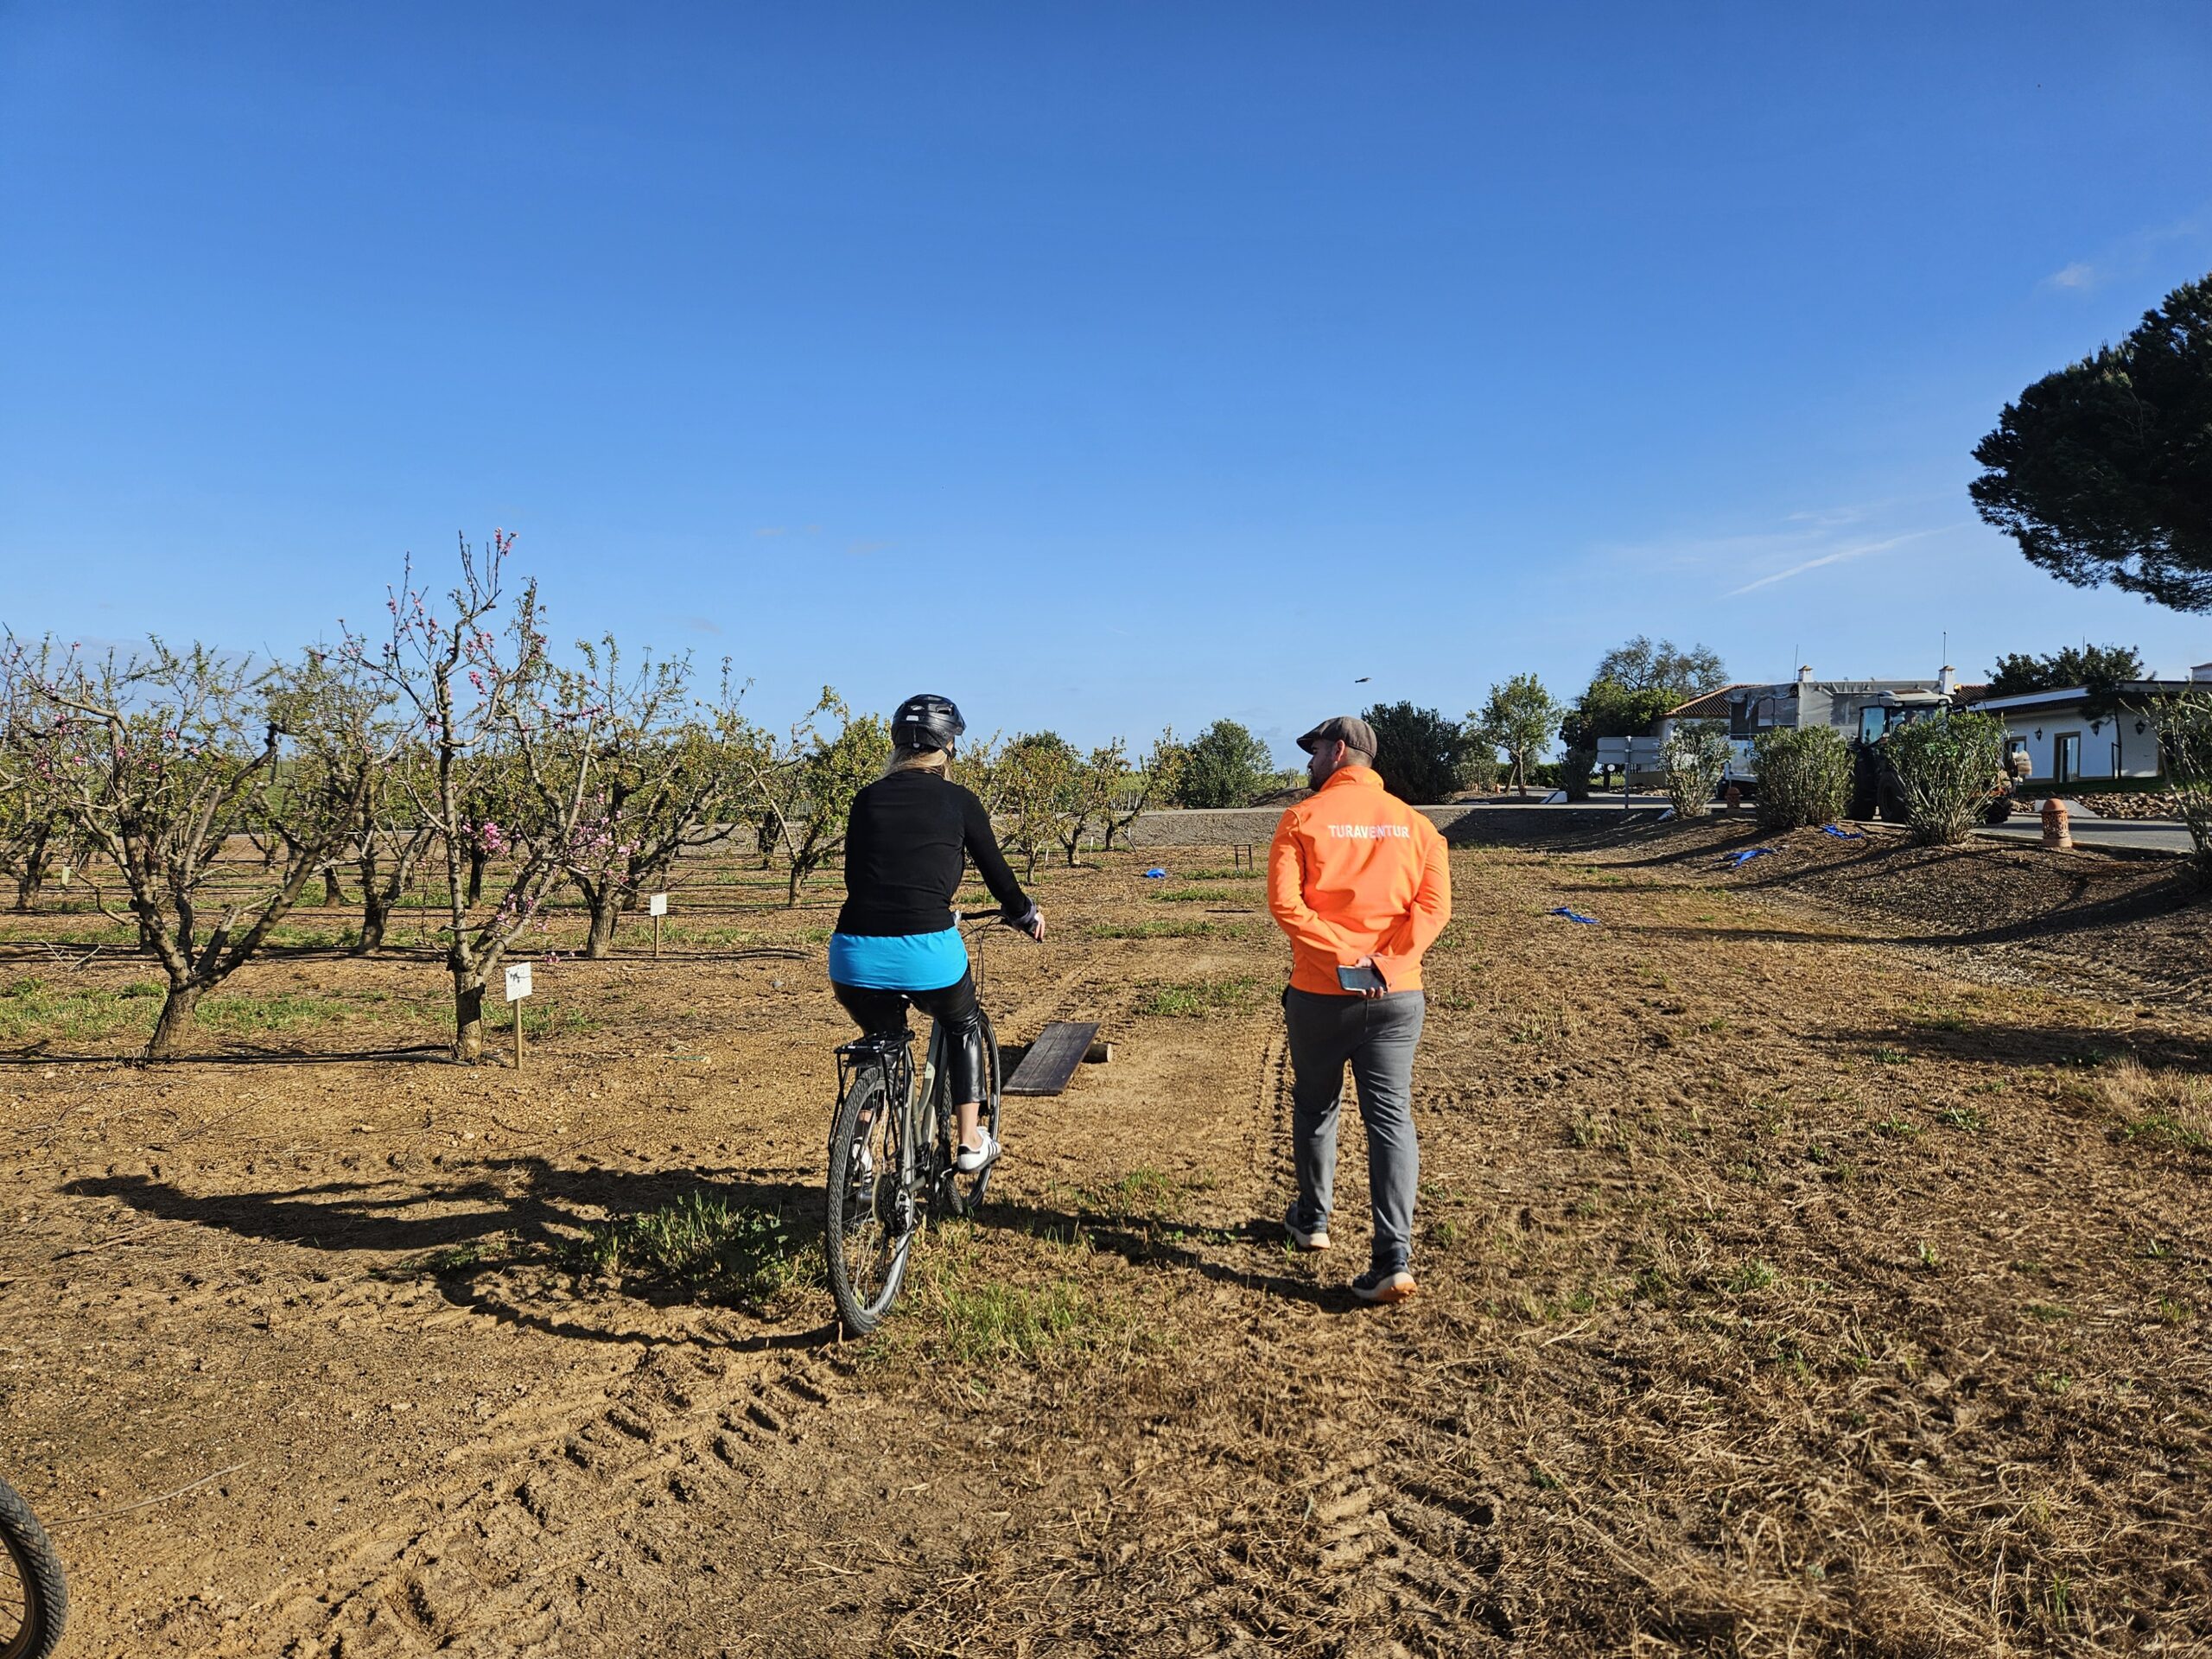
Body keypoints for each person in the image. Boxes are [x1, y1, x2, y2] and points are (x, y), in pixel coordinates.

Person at [1267, 715, 1452, 1304]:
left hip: (1322, 993)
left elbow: (1285, 905)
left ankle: (1313, 1220)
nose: (1309, 761)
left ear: (1339, 750)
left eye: (1315, 749)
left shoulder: (1300, 819)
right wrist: (1388, 962)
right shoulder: (1419, 826)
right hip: (1397, 997)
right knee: (1391, 1119)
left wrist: (1347, 956)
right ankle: (1393, 1256)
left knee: (1316, 1105)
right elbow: (1434, 908)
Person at [828, 693, 1044, 1173]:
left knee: (880, 1041)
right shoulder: (960, 801)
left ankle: (858, 1148)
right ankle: (969, 1142)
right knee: (962, 1023)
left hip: (852, 955)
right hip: (927, 952)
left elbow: (862, 880)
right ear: (948, 748)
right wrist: (1024, 914)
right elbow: (999, 877)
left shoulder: (864, 800)